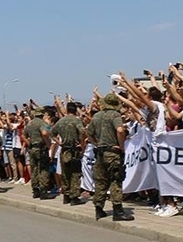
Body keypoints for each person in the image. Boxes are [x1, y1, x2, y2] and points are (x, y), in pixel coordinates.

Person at [86, 93, 134, 221]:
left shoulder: (96, 116)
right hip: (112, 152)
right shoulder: (115, 115)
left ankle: (99, 209)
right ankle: (117, 210)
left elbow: (88, 133)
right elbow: (119, 130)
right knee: (115, 180)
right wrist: (121, 146)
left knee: (101, 181)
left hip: (100, 152)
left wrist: (96, 143)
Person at [51, 101, 86, 205]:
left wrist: (59, 143)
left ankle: (66, 196)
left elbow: (52, 133)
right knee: (75, 173)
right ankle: (74, 197)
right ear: (75, 110)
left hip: (64, 149)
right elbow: (83, 132)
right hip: (74, 150)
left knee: (65, 174)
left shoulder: (61, 121)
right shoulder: (76, 121)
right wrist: (82, 143)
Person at [24, 108, 52, 199]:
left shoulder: (30, 123)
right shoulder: (41, 123)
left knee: (34, 169)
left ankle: (35, 190)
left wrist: (29, 144)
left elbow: (24, 136)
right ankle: (43, 191)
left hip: (32, 148)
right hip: (41, 149)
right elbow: (44, 133)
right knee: (43, 169)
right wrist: (49, 145)